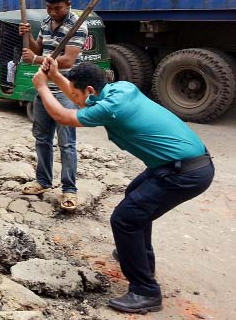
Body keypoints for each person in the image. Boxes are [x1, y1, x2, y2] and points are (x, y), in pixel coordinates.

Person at [33, 56, 214, 314]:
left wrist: (42, 86)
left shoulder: (110, 108)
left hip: (184, 173)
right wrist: (55, 76)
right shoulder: (121, 88)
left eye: (76, 91)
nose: (74, 96)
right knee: (134, 198)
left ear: (91, 91)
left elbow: (63, 115)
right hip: (181, 163)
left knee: (125, 219)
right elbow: (78, 97)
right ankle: (138, 257)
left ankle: (145, 292)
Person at [18, 0, 88, 212]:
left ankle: (69, 189)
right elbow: (39, 47)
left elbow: (66, 61)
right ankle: (43, 182)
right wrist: (27, 36)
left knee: (67, 143)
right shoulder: (47, 23)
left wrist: (36, 59)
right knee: (42, 138)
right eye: (48, 8)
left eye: (57, 8)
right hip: (44, 88)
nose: (52, 12)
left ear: (68, 4)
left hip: (66, 89)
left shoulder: (78, 25)